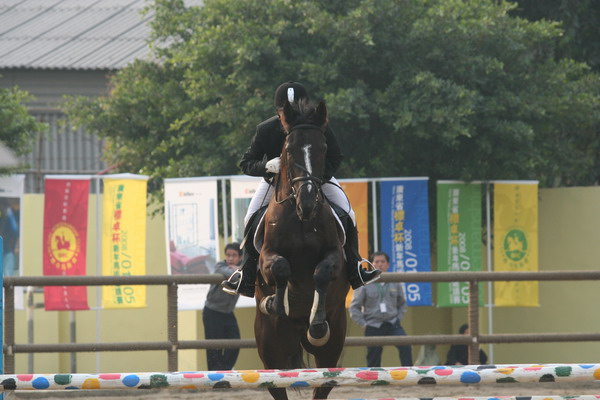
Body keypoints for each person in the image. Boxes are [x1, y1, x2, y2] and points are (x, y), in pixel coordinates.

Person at [221, 81, 380, 297]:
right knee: (250, 218)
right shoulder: (266, 129)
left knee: (348, 214)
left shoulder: (319, 127)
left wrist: (315, 179)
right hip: (274, 182)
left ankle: (355, 268)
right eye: (286, 111)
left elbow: (335, 156)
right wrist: (267, 166)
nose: (290, 116)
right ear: (279, 112)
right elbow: (246, 162)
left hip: (318, 180)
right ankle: (246, 274)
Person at [349, 251, 413, 367]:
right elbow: (354, 307)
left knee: (406, 345)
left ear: (388, 265)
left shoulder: (395, 281)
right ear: (371, 264)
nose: (379, 264)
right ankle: (374, 381)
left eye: (382, 262)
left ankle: (410, 374)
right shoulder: (364, 282)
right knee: (373, 357)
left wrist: (398, 318)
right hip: (373, 325)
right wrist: (363, 324)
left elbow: (402, 304)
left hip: (393, 323)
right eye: (376, 262)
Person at [203, 242, 242, 370]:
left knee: (235, 342)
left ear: (240, 257)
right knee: (214, 346)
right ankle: (214, 376)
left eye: (234, 255)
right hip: (212, 311)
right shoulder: (220, 265)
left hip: (228, 312)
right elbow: (231, 274)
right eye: (228, 255)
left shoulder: (242, 268)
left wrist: (240, 270)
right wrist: (239, 270)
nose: (230, 258)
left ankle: (224, 371)